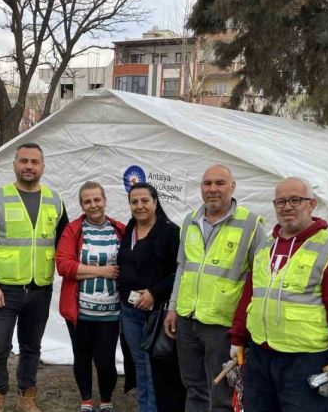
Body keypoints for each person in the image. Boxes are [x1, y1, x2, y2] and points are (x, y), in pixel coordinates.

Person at [228, 177, 328, 412]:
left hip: (305, 361)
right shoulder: (265, 247)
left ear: (312, 204)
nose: (287, 206)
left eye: (295, 200)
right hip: (261, 355)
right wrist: (237, 338)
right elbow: (251, 295)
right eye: (280, 201)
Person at [0, 142, 69, 412]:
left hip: (39, 289)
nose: (29, 166)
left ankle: (27, 396)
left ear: (43, 166)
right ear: (15, 164)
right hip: (3, 289)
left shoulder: (55, 199)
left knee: (31, 348)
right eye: (24, 161)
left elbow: (66, 241)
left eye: (34, 162)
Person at [164, 165, 265, 412]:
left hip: (223, 326)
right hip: (188, 321)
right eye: (207, 183)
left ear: (233, 187)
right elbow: (182, 268)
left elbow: (261, 280)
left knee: (221, 394)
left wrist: (245, 328)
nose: (212, 189)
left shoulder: (251, 225)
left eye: (220, 183)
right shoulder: (190, 221)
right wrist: (173, 307)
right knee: (194, 388)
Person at [56, 181, 126, 412]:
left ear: (105, 200)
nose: (93, 205)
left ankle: (106, 400)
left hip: (111, 311)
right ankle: (86, 400)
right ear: (81, 205)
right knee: (82, 356)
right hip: (80, 311)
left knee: (105, 360)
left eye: (97, 199)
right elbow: (64, 265)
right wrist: (102, 271)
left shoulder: (120, 230)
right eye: (88, 201)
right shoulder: (73, 230)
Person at [118, 182, 186, 412]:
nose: (139, 206)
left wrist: (154, 292)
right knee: (139, 366)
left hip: (155, 314)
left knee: (154, 369)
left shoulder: (170, 231)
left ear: (155, 202)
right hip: (130, 312)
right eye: (134, 202)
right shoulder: (129, 229)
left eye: (145, 201)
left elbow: (180, 271)